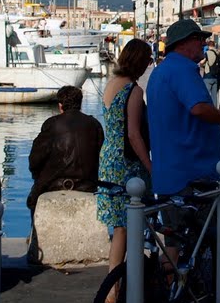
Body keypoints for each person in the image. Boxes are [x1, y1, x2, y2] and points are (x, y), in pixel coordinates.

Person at [147, 19, 220, 200]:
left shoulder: (161, 71)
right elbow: (199, 108)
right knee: (203, 227)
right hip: (191, 176)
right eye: (198, 38)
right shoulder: (182, 69)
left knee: (176, 227)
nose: (203, 43)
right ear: (183, 42)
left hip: (170, 175)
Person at [96, 40, 153, 277]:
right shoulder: (134, 90)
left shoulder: (111, 84)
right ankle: (128, 286)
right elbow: (133, 134)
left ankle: (113, 287)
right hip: (127, 164)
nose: (149, 63)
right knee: (131, 226)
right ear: (140, 62)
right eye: (147, 59)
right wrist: (151, 167)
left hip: (108, 159)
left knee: (119, 227)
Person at [28, 85, 103, 217]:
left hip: (54, 185)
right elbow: (100, 155)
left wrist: (37, 176)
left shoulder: (52, 124)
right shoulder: (94, 124)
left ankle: (36, 236)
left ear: (60, 105)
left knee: (33, 201)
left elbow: (35, 159)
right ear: (80, 104)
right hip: (87, 185)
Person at [202, 40, 220, 106]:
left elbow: (203, 62)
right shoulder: (218, 52)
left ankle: (207, 110)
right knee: (214, 96)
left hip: (208, 75)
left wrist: (202, 64)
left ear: (208, 45)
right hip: (216, 76)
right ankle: (214, 111)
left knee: (206, 94)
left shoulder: (208, 53)